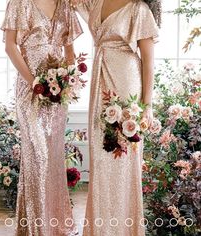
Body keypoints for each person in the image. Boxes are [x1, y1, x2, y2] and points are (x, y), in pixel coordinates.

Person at [72, 0, 161, 235]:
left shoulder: (138, 9)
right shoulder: (96, 3)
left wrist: (147, 105)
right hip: (100, 84)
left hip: (126, 89)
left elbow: (149, 61)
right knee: (100, 161)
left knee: (123, 162)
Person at [1, 0, 83, 235]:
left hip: (58, 93)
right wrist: (34, 82)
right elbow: (10, 46)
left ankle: (53, 224)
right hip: (30, 91)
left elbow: (69, 51)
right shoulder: (19, 3)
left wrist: (69, 82)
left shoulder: (65, 5)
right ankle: (39, 229)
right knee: (37, 156)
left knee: (54, 159)